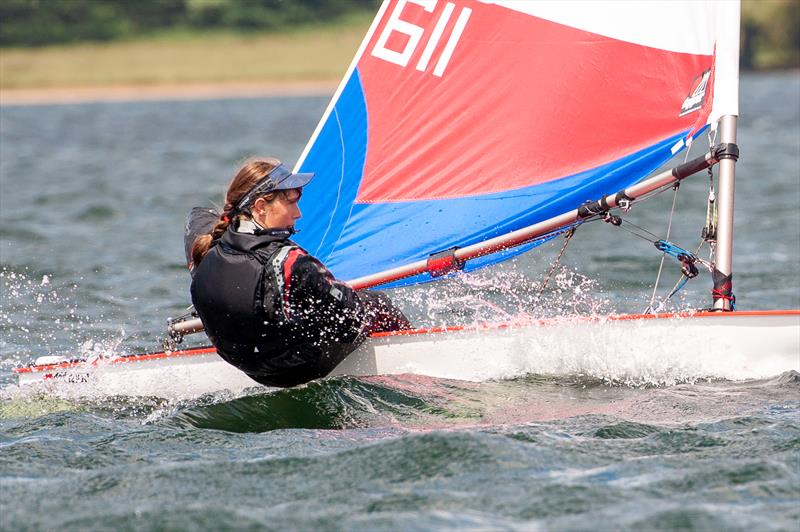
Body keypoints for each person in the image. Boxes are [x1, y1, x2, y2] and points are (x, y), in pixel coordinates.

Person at [188, 157, 410, 388]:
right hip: (296, 369)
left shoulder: (207, 248)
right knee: (377, 303)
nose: (298, 213)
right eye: (291, 202)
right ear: (261, 207)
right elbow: (350, 311)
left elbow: (196, 216)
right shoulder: (292, 262)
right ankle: (408, 357)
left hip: (247, 366)